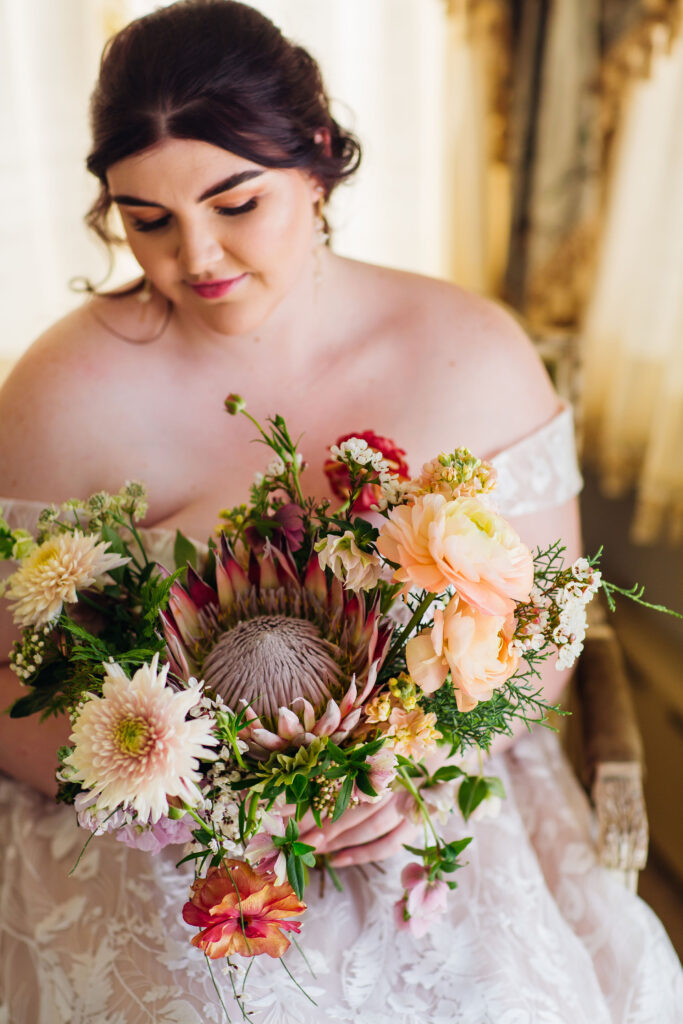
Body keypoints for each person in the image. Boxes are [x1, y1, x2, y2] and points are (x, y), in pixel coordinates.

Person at [0, 2, 680, 1021]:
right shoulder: (59, 391)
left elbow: (540, 634)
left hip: (432, 788)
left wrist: (417, 768)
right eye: (149, 221)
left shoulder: (467, 350)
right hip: (150, 820)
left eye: (236, 202)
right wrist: (209, 801)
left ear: (316, 158)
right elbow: (13, 703)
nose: (197, 258)